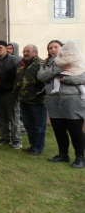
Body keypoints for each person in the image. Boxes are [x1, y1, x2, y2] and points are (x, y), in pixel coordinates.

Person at [38, 40, 85, 168]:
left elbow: (82, 78)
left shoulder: (76, 60)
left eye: (56, 47)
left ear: (62, 48)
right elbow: (41, 77)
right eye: (50, 48)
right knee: (58, 128)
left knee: (75, 129)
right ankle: (63, 154)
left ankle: (80, 157)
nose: (53, 50)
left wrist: (64, 78)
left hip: (72, 98)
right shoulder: (45, 63)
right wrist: (58, 70)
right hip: (52, 99)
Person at [13, 45, 46, 156]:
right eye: (24, 51)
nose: (25, 53)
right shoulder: (21, 64)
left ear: (35, 53)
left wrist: (38, 94)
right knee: (28, 125)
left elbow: (44, 82)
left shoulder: (41, 64)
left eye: (28, 51)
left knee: (39, 126)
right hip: (23, 100)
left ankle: (38, 147)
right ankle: (33, 145)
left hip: (37, 101)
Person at [0, 40, 22, 149]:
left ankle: (17, 140)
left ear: (6, 48)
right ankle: (5, 137)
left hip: (10, 94)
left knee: (13, 117)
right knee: (0, 117)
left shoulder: (14, 60)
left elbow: (19, 77)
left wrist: (16, 92)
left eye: (0, 47)